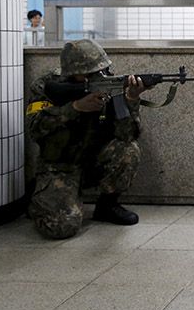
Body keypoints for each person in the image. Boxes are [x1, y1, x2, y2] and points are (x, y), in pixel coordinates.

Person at [25, 39, 149, 239]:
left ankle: (107, 205)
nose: (98, 75)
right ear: (72, 72)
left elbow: (127, 135)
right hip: (59, 166)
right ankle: (40, 198)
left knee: (128, 150)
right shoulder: (46, 86)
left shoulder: (109, 83)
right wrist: (75, 108)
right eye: (90, 73)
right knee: (61, 227)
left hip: (95, 160)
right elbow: (35, 129)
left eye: (101, 70)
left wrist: (132, 100)